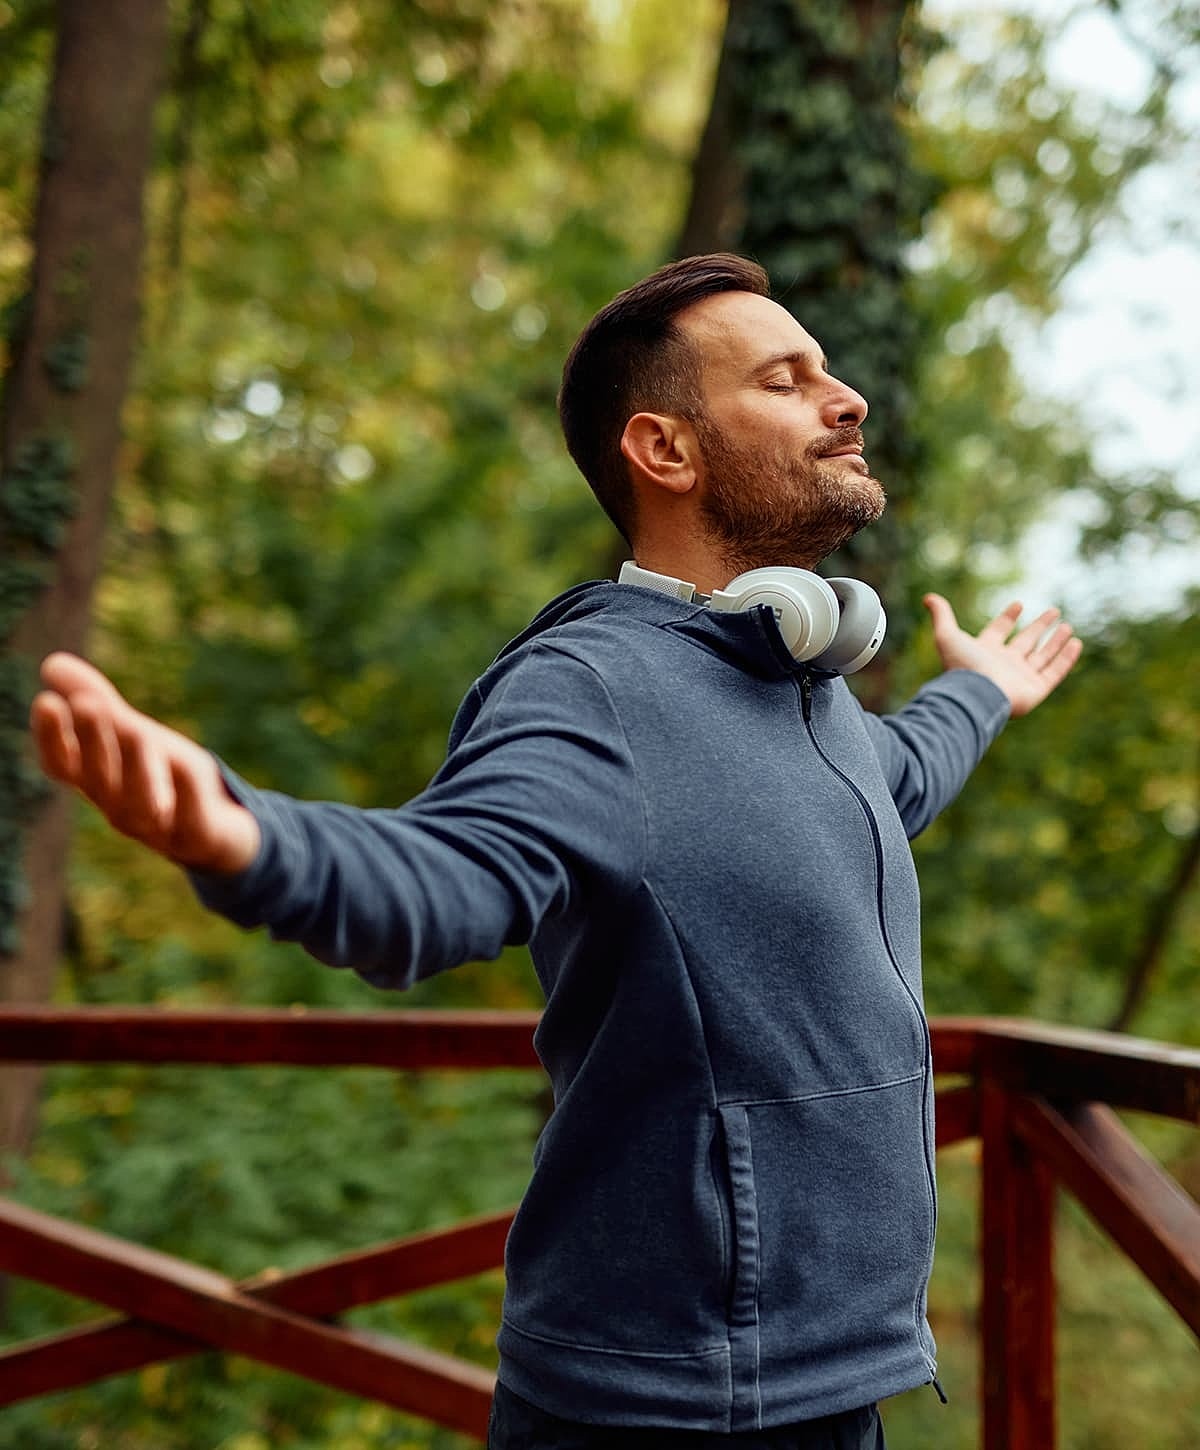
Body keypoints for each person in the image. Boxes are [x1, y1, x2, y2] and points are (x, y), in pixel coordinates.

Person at [31, 254, 1081, 1450]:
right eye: (787, 382)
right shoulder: (589, 688)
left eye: (830, 374)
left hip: (836, 1382)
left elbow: (901, 778)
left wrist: (982, 693)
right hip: (662, 1408)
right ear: (666, 452)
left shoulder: (813, 699)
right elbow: (442, 878)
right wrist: (246, 836)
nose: (844, 400)